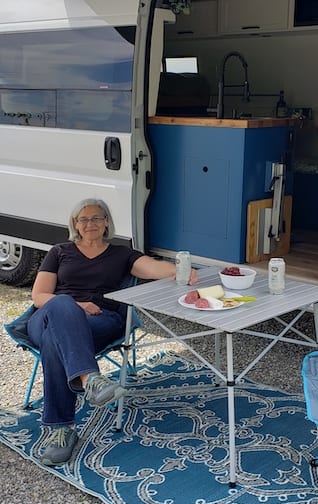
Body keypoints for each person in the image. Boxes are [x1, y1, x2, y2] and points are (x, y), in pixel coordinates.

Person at [27, 198, 198, 466]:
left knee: (54, 341)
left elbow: (152, 268)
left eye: (96, 218)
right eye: (83, 219)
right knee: (61, 306)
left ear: (106, 222)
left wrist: (182, 271)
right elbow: (39, 296)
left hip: (99, 320)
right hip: (49, 315)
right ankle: (90, 380)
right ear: (75, 224)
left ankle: (61, 430)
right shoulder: (59, 251)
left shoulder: (121, 254)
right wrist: (75, 305)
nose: (90, 224)